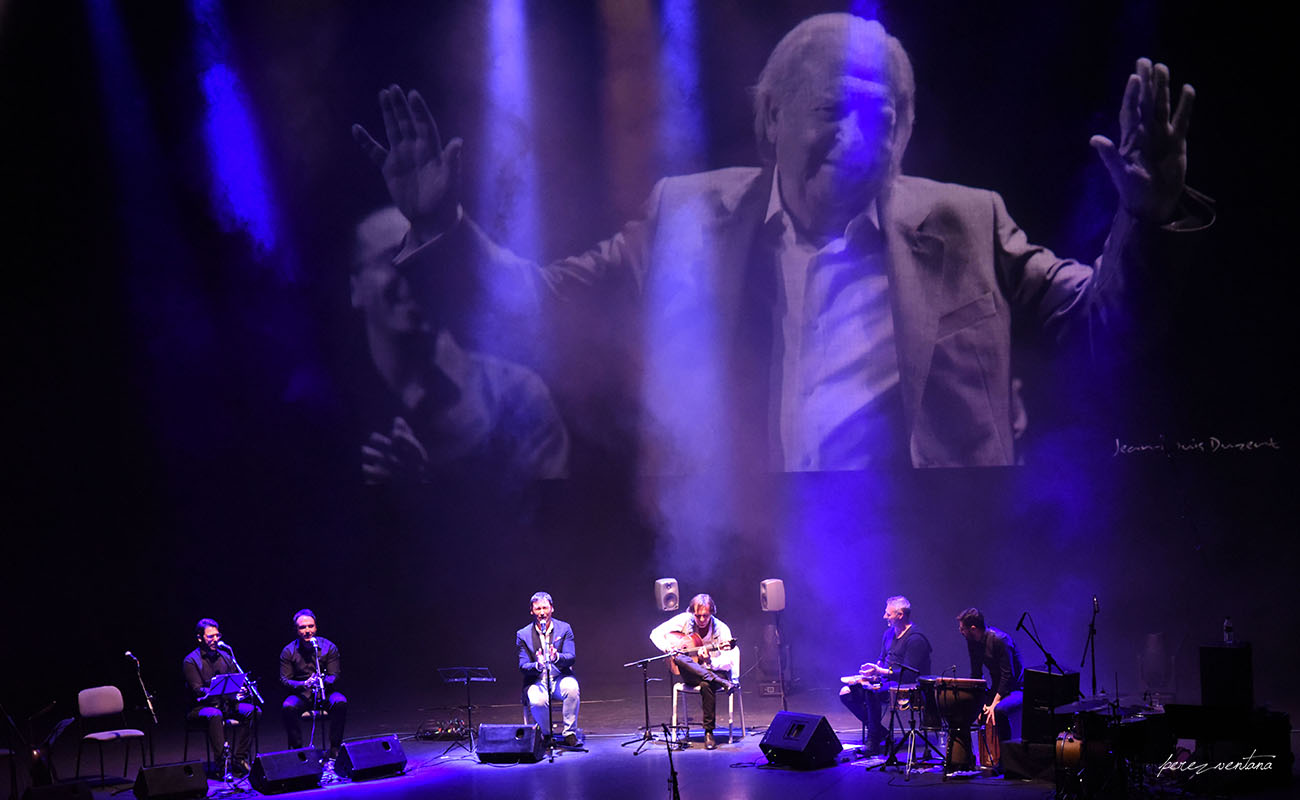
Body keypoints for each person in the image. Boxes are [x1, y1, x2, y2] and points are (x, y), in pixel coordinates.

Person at [352, 12, 1210, 473]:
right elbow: (537, 304)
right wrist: (438, 227)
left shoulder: (969, 219)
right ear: (772, 120)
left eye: (886, 117)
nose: (863, 137)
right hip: (745, 533)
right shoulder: (687, 215)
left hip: (934, 533)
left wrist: (1143, 216)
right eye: (837, 110)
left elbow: (1106, 323)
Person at [351, 206, 569, 486]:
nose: (413, 271)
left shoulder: (515, 395)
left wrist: (430, 492)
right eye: (393, 256)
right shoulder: (334, 405)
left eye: (424, 256)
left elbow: (546, 517)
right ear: (354, 288)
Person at [839, 595, 932, 756]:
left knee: (871, 691)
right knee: (846, 693)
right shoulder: (888, 634)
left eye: (888, 614)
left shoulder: (916, 639)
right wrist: (872, 671)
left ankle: (873, 740)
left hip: (908, 686)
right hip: (887, 682)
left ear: (900, 615)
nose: (885, 617)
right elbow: (882, 659)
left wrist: (879, 672)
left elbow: (909, 674)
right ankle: (881, 732)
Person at [650, 594, 736, 750]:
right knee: (679, 657)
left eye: (705, 616)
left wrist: (709, 661)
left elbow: (729, 662)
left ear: (712, 613)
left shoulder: (722, 629)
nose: (701, 620)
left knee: (706, 683)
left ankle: (709, 732)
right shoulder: (685, 619)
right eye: (698, 616)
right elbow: (655, 633)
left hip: (715, 672)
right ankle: (721, 683)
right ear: (692, 613)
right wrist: (668, 648)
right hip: (692, 673)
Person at [181, 618, 257, 776]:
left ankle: (239, 759)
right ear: (200, 638)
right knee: (215, 714)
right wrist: (217, 690)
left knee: (253, 710)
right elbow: (197, 690)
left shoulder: (226, 656)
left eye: (217, 635)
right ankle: (223, 764)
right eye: (210, 636)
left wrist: (241, 689)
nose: (215, 639)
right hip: (201, 708)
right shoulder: (191, 660)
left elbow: (237, 679)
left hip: (226, 704)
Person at [279, 609, 347, 759]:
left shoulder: (329, 647)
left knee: (340, 702)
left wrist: (321, 682)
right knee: (288, 706)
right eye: (302, 627)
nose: (307, 630)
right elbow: (285, 680)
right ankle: (298, 751)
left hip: (325, 691)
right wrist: (304, 683)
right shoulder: (288, 651)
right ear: (296, 630)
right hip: (302, 694)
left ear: (316, 627)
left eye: (310, 626)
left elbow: (334, 675)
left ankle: (335, 748)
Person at [515, 592, 580, 746]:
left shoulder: (564, 628)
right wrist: (538, 665)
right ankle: (546, 734)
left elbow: (571, 657)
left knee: (572, 688)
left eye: (545, 608)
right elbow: (523, 666)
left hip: (560, 678)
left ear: (552, 609)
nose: (542, 613)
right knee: (538, 701)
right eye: (538, 609)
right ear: (532, 611)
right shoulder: (523, 634)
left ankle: (570, 733)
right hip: (537, 680)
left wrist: (556, 657)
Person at [957, 608, 1023, 746]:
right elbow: (976, 674)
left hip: (1016, 688)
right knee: (970, 709)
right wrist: (979, 702)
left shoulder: (999, 640)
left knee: (998, 712)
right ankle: (981, 758)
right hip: (998, 688)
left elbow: (1008, 675)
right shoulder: (973, 641)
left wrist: (994, 704)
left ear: (973, 628)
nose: (960, 631)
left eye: (962, 628)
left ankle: (1005, 759)